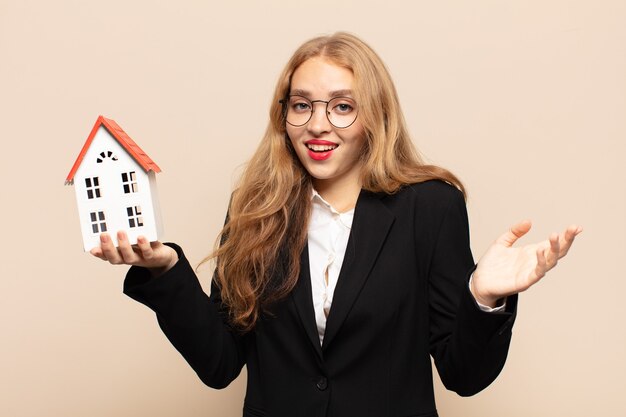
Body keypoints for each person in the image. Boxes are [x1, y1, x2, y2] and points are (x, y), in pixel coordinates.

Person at [91, 32, 581, 417]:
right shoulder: (256, 208)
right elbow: (220, 364)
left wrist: (483, 296)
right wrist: (165, 269)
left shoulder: (431, 208)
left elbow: (464, 376)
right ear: (284, 115)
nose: (318, 125)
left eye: (342, 106)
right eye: (301, 105)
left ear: (375, 116)